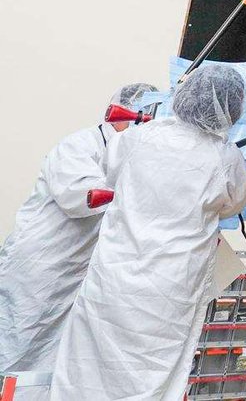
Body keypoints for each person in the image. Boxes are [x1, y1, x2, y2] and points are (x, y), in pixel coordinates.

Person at [50, 66, 246, 401]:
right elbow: (233, 204)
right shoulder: (225, 158)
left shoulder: (137, 138)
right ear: (233, 110)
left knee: (85, 369)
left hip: (113, 279)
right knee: (152, 379)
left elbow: (110, 174)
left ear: (185, 96)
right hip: (169, 291)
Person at [0, 81, 158, 376]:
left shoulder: (130, 156)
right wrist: (138, 196)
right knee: (14, 347)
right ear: (123, 114)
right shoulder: (80, 146)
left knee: (48, 362)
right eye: (142, 116)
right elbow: (80, 197)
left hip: (74, 274)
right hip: (38, 269)